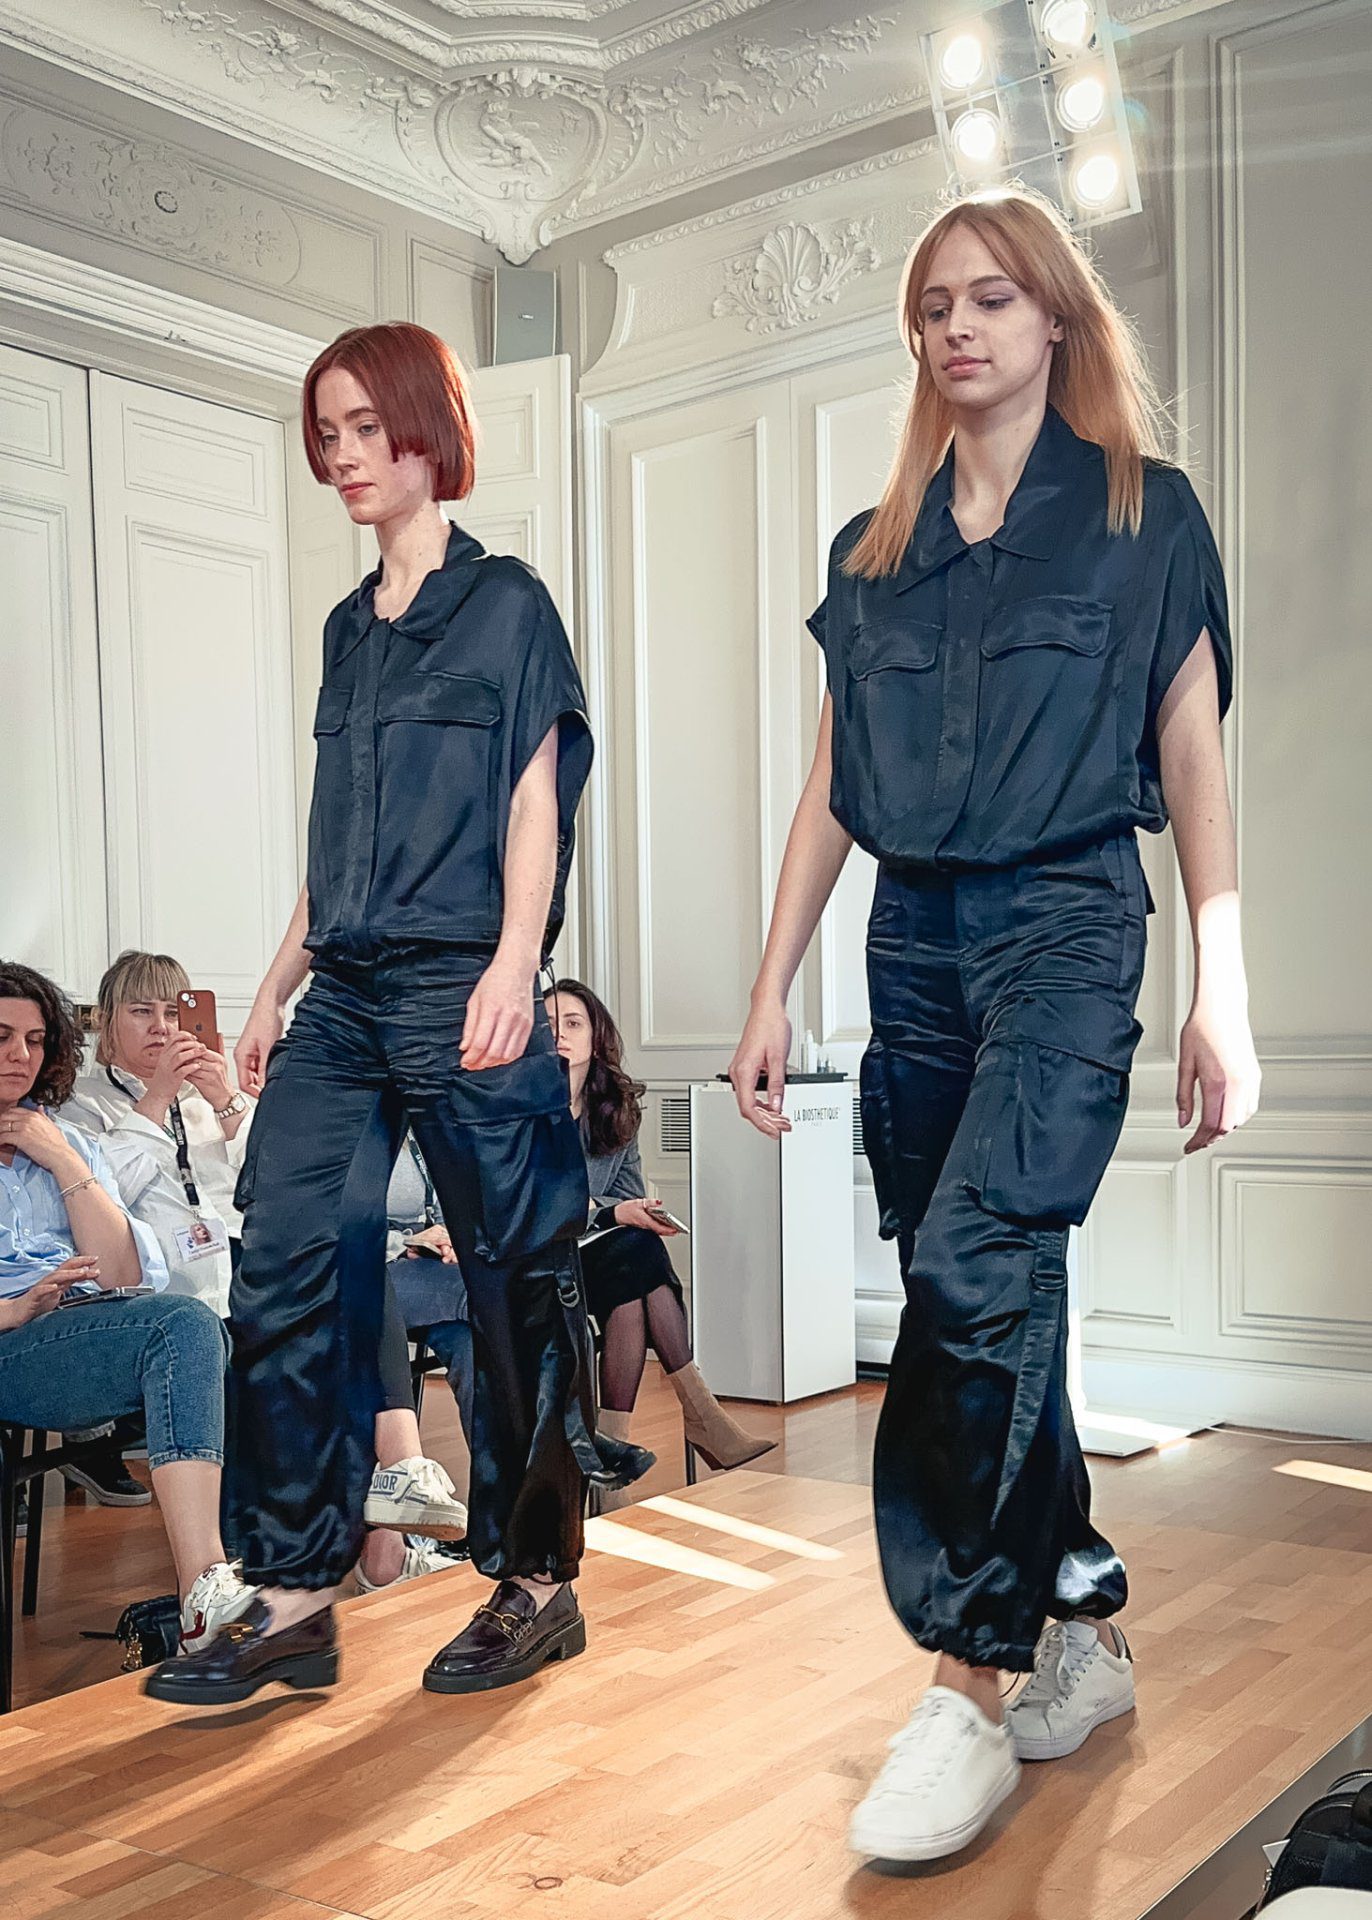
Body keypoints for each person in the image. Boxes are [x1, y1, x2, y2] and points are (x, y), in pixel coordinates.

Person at [728, 189, 1260, 1864]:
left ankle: (967, 1681)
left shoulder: (1141, 512)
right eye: (934, 304)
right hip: (912, 939)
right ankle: (1079, 1623)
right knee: (989, 1290)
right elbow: (832, 783)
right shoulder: (870, 551)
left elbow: (1191, 746)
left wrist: (1223, 983)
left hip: (1068, 920)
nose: (958, 326)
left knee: (972, 1271)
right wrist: (769, 985)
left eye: (992, 298)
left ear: (1054, 321)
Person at [145, 320, 625, 1708]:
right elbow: (337, 835)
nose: (345, 455)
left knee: (514, 1275)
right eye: (329, 434)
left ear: (428, 429)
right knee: (288, 1255)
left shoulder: (509, 605)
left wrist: (517, 961)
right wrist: (276, 977)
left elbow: (535, 799)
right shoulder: (346, 631)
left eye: (367, 427)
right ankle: (296, 1594)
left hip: (466, 974)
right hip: (348, 991)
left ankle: (535, 1581)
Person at [0, 962, 256, 1654]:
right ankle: (206, 1585)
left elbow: (120, 1273)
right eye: (1, 1036)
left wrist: (64, 1162)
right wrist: (14, 1308)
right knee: (186, 1324)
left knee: (192, 1324)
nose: (20, 1055)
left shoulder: (67, 1139)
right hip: (10, 1338)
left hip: (79, 1330)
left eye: (33, 1040)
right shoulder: (98, 1113)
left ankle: (209, 1586)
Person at [547, 980, 773, 1479]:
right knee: (637, 1255)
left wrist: (621, 1211)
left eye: (572, 1023)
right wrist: (610, 1214)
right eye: (548, 1025)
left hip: (598, 1259)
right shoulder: (523, 1110)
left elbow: (626, 1193)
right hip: (540, 1258)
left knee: (635, 1268)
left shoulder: (613, 1109)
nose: (559, 1034)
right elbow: (536, 1205)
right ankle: (702, 1416)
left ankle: (612, 1458)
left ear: (595, 1039)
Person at [62, 949, 252, 1322]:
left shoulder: (212, 1095)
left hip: (250, 1275)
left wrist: (225, 1100)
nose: (161, 1027)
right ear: (106, 1020)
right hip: (163, 1294)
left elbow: (277, 1180)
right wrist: (159, 1095)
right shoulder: (79, 1102)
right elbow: (102, 1193)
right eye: (141, 1011)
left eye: (173, 1013)